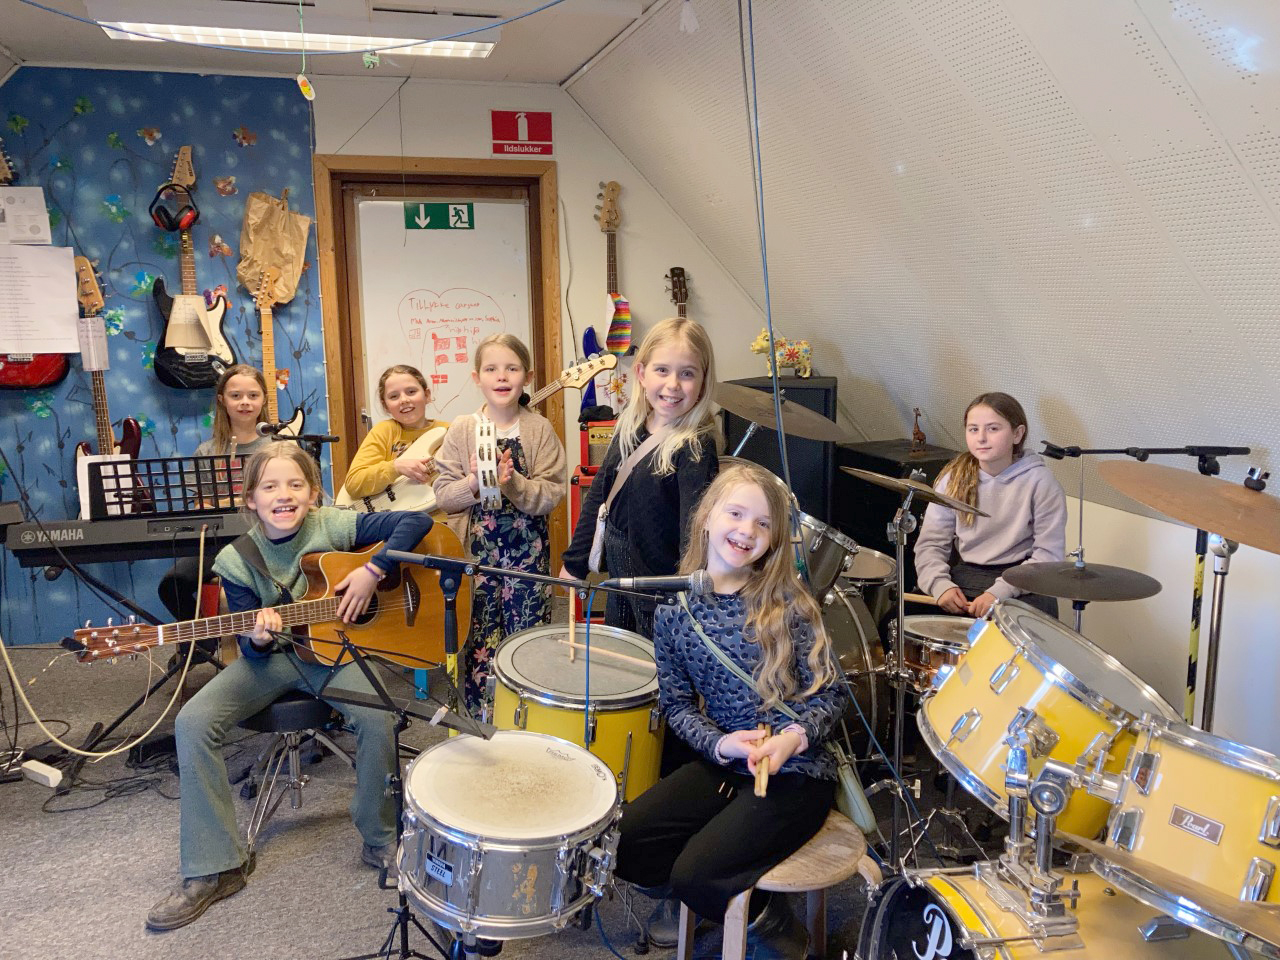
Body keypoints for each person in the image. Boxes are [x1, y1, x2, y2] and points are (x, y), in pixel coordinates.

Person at [145, 445, 434, 932]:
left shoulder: (333, 526)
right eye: (270, 487)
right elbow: (249, 649)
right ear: (251, 500)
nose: (284, 495)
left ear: (313, 492)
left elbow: (416, 522)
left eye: (296, 484)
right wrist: (257, 640)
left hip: (334, 652)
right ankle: (215, 867)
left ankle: (380, 835)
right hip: (274, 660)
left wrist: (372, 571)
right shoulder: (236, 561)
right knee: (193, 721)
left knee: (377, 716)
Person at [614, 462, 846, 960]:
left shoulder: (787, 602)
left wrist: (791, 739)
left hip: (797, 770)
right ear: (706, 517)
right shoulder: (674, 611)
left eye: (763, 523)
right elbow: (676, 705)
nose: (746, 531)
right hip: (726, 760)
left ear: (775, 538)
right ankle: (723, 887)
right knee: (627, 842)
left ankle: (777, 931)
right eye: (736, 514)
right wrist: (720, 743)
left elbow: (832, 694)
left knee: (696, 874)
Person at [559, 317, 719, 639]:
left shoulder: (695, 447)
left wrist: (687, 600)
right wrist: (575, 562)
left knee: (656, 663)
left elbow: (694, 532)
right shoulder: (629, 426)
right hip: (620, 578)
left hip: (662, 591)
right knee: (623, 656)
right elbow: (600, 495)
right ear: (642, 373)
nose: (673, 384)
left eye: (687, 373)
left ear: (702, 383)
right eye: (662, 370)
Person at [433, 334, 566, 715]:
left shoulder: (539, 429)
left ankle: (526, 719)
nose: (502, 376)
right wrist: (474, 483)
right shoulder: (462, 428)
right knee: (478, 637)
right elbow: (443, 495)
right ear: (478, 378)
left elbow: (552, 493)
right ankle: (482, 719)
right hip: (476, 556)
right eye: (491, 369)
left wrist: (512, 483)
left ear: (528, 377)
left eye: (512, 368)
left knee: (527, 637)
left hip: (527, 556)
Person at [914, 391, 1067, 619]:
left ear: (1017, 434)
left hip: (1023, 580)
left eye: (993, 429)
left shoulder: (1041, 482)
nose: (981, 438)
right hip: (967, 574)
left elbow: (1048, 555)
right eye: (973, 429)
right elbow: (931, 544)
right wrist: (940, 585)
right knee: (898, 622)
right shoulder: (953, 478)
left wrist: (999, 592)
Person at [158, 364, 273, 622]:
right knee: (172, 585)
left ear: (264, 399)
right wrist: (248, 499)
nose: (245, 402)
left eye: (253, 395)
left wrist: (224, 501)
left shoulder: (277, 448)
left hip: (268, 541)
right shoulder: (207, 451)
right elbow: (200, 505)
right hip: (218, 543)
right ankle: (203, 640)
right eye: (236, 395)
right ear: (222, 400)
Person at [342, 364, 442, 499]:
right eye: (394, 396)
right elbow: (354, 483)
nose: (404, 400)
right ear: (385, 406)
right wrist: (395, 467)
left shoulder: (451, 431)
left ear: (427, 395)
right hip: (393, 511)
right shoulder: (385, 431)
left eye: (411, 392)